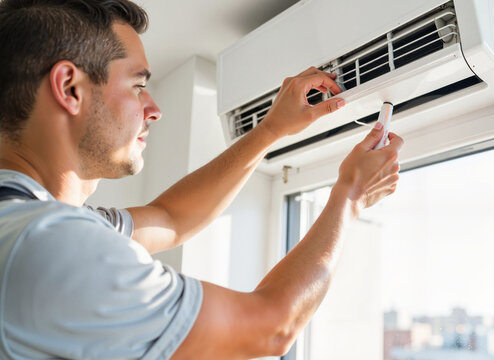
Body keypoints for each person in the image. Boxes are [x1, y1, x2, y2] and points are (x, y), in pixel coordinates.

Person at [0, 0, 403, 359]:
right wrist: (349, 197)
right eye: (138, 85)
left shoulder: (28, 223)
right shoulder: (49, 243)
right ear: (70, 87)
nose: (153, 109)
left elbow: (171, 217)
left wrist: (269, 131)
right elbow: (271, 328)